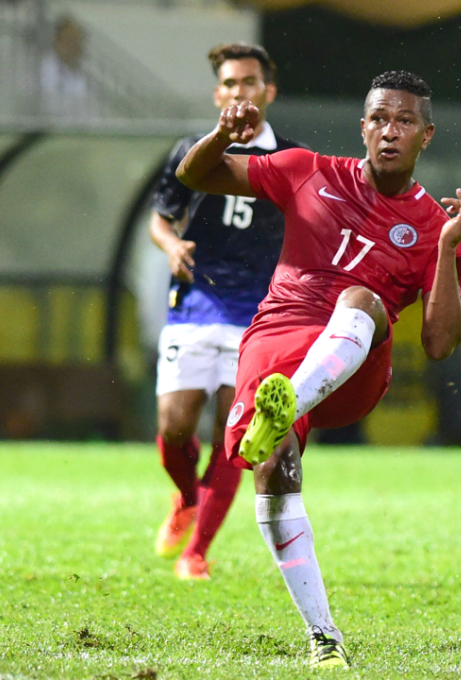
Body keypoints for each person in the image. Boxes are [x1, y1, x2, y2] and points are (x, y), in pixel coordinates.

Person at [175, 70, 461, 667]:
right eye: (379, 119)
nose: (390, 131)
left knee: (361, 297)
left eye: (405, 121)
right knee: (273, 468)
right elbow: (196, 175)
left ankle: (287, 401)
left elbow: (440, 344)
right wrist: (222, 134)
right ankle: (324, 636)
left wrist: (447, 247)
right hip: (277, 339)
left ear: (426, 136)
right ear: (362, 127)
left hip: (352, 368)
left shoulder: (438, 230)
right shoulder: (306, 170)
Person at [150, 43, 305, 581]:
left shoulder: (291, 159)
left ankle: (196, 552)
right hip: (196, 301)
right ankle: (187, 497)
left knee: (231, 435)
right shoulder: (192, 152)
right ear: (219, 94)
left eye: (250, 82)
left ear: (269, 91)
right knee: (174, 428)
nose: (241, 92)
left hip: (257, 314)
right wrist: (171, 245)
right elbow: (161, 217)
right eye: (231, 83)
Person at [39, 15, 94, 118]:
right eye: (69, 40)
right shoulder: (46, 68)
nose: (74, 45)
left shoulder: (81, 70)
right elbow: (48, 103)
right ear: (57, 41)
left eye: (77, 40)